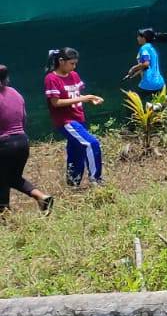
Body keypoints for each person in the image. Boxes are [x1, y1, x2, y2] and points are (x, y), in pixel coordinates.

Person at [44, 48, 103, 187]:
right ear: (61, 61)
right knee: (91, 143)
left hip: (79, 118)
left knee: (76, 150)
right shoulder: (51, 78)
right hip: (66, 121)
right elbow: (56, 102)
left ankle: (73, 183)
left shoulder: (74, 75)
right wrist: (86, 98)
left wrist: (90, 99)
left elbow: (76, 96)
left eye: (75, 64)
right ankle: (96, 180)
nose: (74, 66)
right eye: (71, 63)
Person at [0, 64, 53, 215]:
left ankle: (5, 217)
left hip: (4, 144)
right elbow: (23, 119)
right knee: (12, 178)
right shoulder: (15, 93)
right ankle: (42, 197)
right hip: (22, 142)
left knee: (2, 181)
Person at [124, 28, 167, 100]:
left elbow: (146, 64)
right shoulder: (152, 47)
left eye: (138, 36)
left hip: (149, 83)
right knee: (158, 106)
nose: (137, 38)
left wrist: (133, 68)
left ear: (143, 38)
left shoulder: (144, 48)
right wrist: (132, 74)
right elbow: (146, 67)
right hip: (160, 83)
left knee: (131, 101)